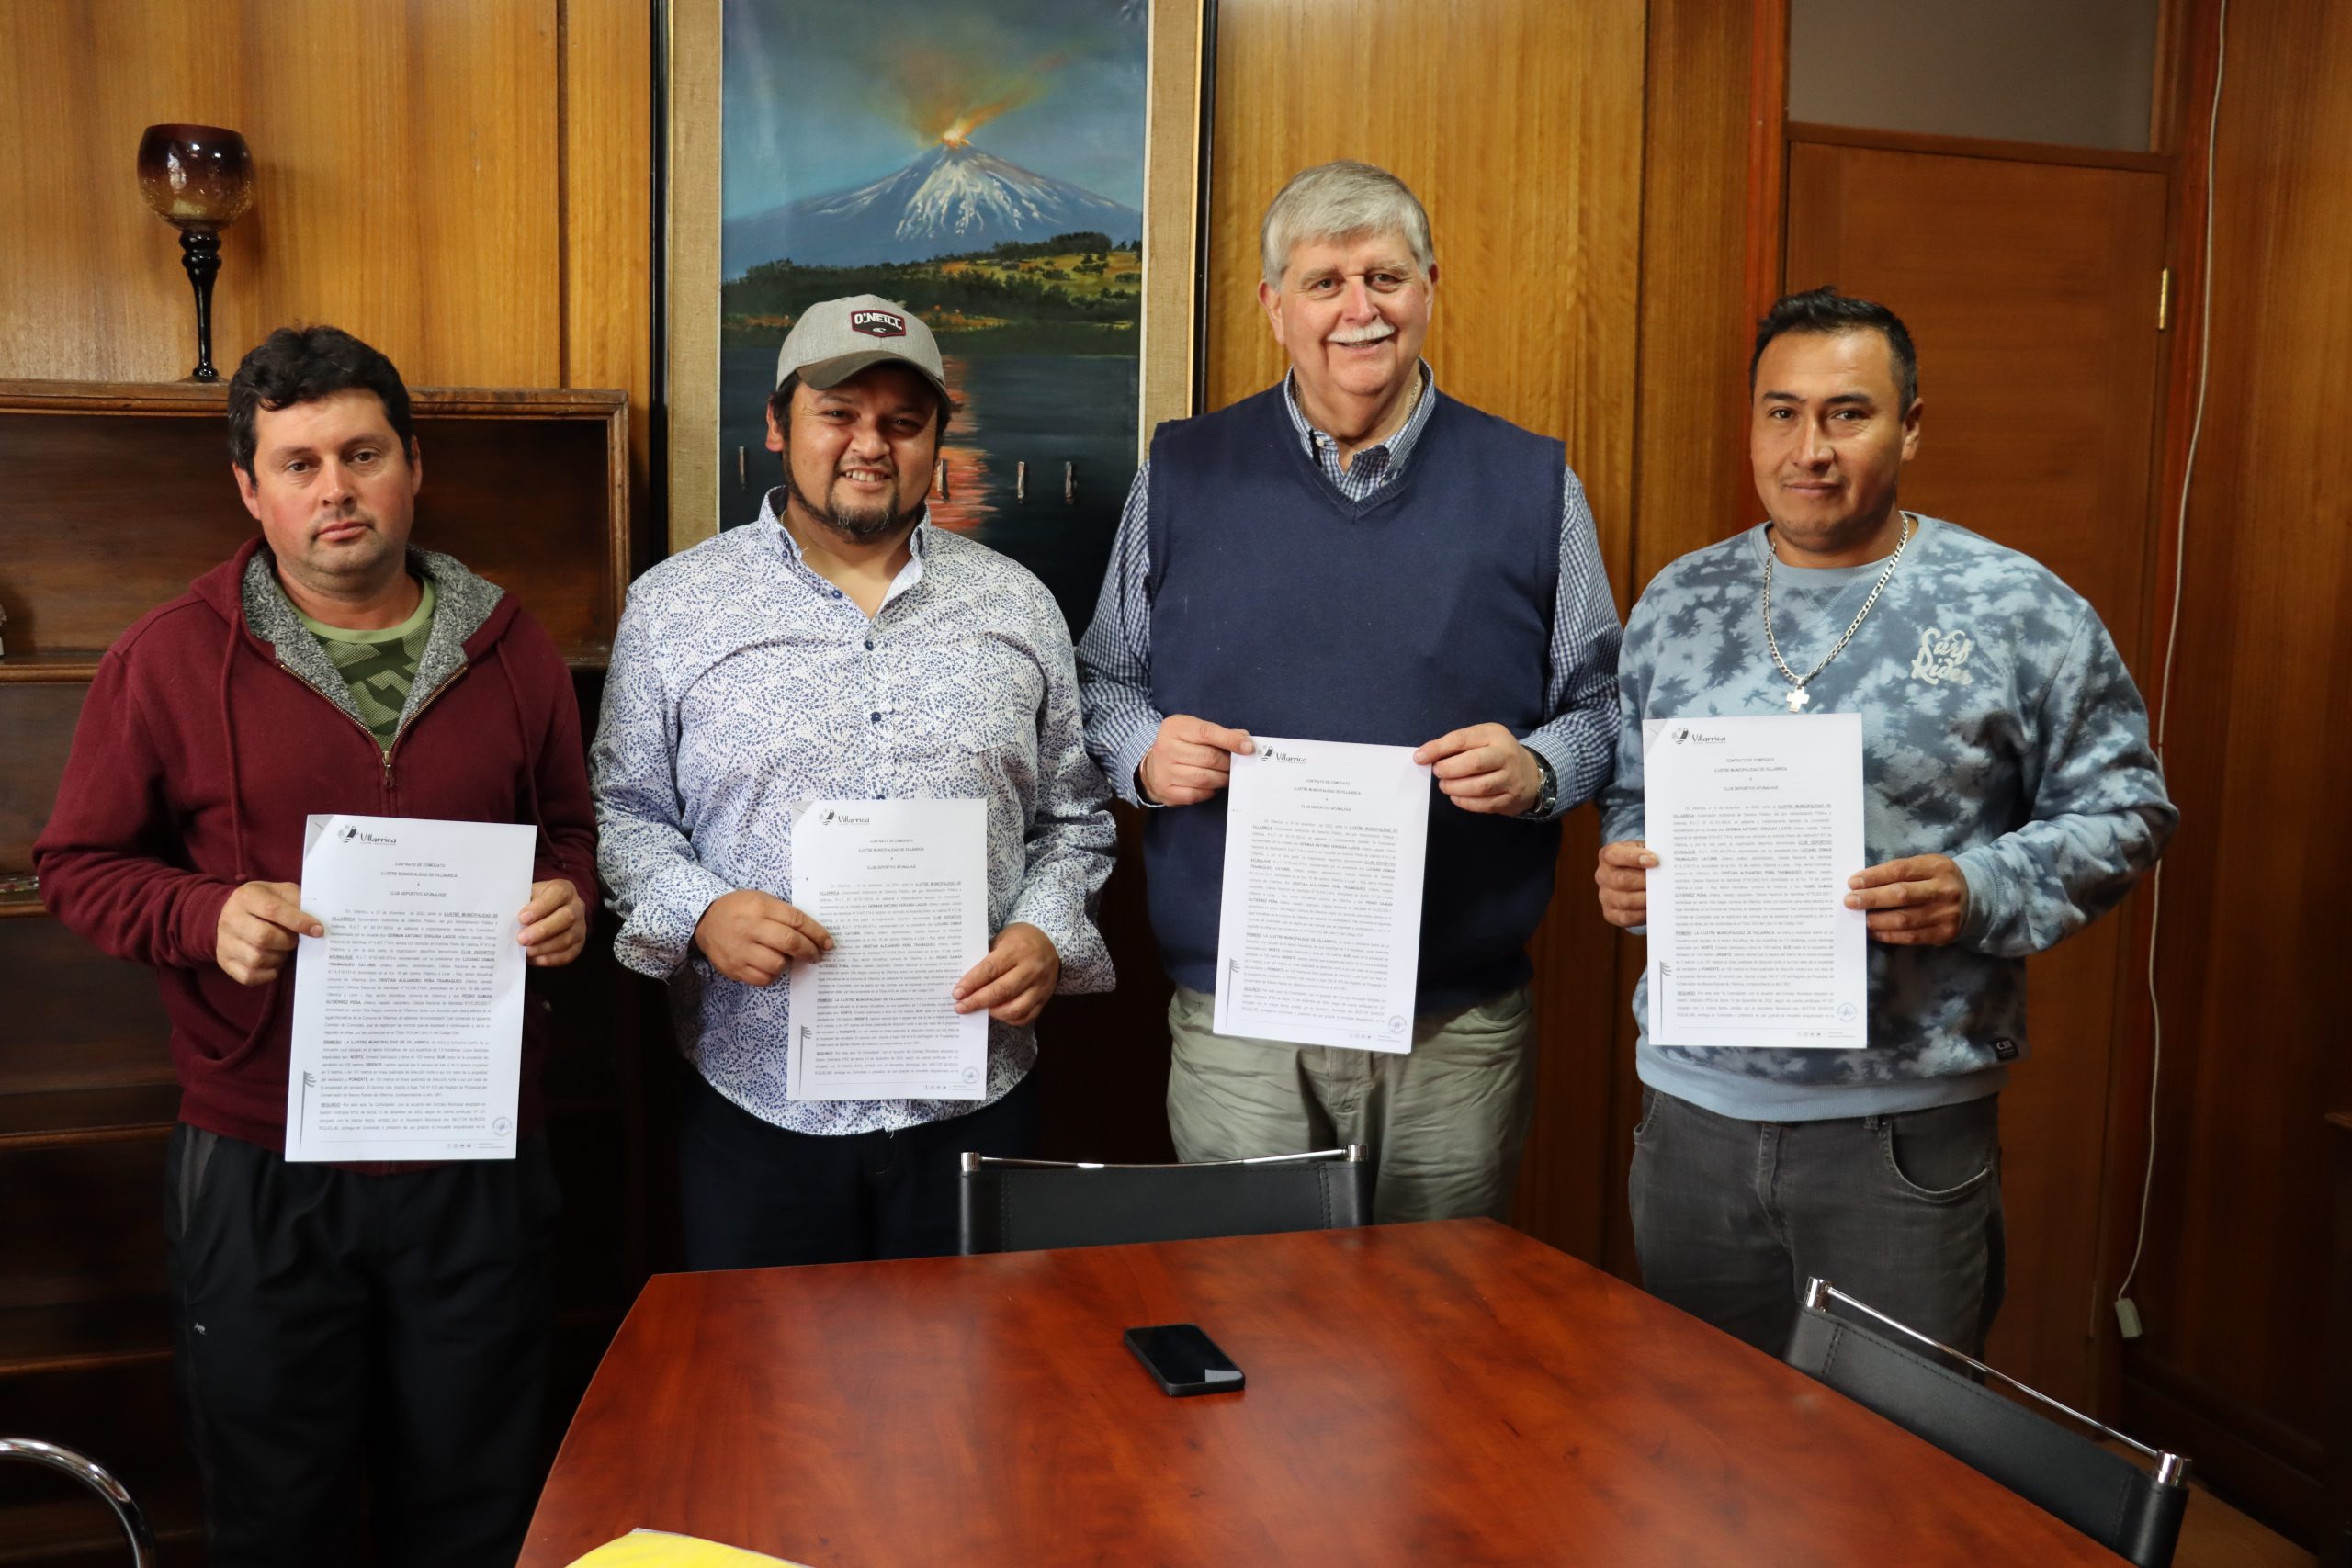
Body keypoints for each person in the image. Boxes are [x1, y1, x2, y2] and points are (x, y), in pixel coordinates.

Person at [32, 324, 597, 1563]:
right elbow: (77, 864)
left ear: (413, 465)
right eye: (299, 464)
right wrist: (204, 916)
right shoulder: (165, 656)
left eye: (361, 454)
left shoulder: (516, 647)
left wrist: (568, 895)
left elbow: (569, 830)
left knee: (480, 1502)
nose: (335, 488)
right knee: (277, 1511)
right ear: (251, 489)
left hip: (473, 1145)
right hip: (261, 1153)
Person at [1593, 287, 2177, 1357]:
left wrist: (1979, 889)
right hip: (1690, 1120)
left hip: (1901, 1130)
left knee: (1893, 1452)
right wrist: (1624, 861)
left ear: (1908, 427)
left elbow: (2128, 808)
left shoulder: (2014, 606)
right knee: (1695, 1437)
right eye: (1781, 412)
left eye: (1847, 414)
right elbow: (1633, 791)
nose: (1809, 448)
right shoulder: (1678, 603)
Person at [1075, 161, 1623, 1223]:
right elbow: (1104, 679)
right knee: (1246, 1303)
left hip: (1449, 1030)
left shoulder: (1532, 485)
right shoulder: (1181, 473)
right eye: (1324, 282)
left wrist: (1539, 767)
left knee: (1440, 1309)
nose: (1358, 309)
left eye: (1384, 277)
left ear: (1429, 288)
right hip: (1241, 1022)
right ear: (1274, 306)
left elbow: (1602, 706)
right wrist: (1143, 752)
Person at [592, 295, 1114, 1268]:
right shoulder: (673, 607)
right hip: (755, 1098)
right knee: (767, 1365)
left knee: (974, 1363)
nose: (870, 444)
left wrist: (1045, 929)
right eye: (838, 414)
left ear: (937, 442)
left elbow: (1074, 819)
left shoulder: (1018, 605)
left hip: (974, 1097)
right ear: (777, 424)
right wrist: (701, 912)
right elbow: (623, 816)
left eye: (902, 422)